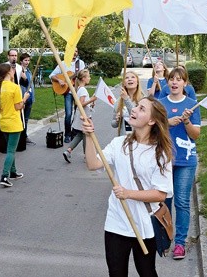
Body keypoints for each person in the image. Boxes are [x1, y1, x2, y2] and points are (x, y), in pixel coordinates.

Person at [83, 96, 174, 277]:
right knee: (116, 273)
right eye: (136, 106)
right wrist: (89, 137)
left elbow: (160, 194)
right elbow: (93, 164)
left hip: (144, 223)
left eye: (141, 109)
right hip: (117, 221)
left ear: (151, 120)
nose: (133, 110)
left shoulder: (160, 153)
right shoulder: (120, 144)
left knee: (147, 271)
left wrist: (128, 193)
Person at [158, 66, 201, 260]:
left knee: (182, 202)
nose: (174, 82)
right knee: (163, 201)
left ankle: (180, 243)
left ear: (185, 83)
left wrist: (185, 122)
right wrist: (167, 123)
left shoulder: (192, 105)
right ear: (167, 82)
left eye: (179, 79)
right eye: (171, 79)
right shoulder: (159, 104)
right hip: (163, 160)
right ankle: (164, 239)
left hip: (185, 160)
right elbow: (151, 131)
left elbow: (196, 135)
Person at [0, 62, 30, 187]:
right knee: (11, 151)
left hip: (3, 122)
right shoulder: (15, 87)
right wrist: (24, 98)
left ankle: (13, 172)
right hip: (14, 123)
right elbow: (18, 106)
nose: (14, 71)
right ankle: (4, 176)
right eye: (13, 69)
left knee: (11, 148)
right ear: (9, 72)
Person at [49, 49, 85, 143]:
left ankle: (74, 132)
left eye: (76, 51)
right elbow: (52, 75)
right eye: (72, 51)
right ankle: (67, 134)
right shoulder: (63, 63)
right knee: (68, 114)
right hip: (68, 92)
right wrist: (59, 80)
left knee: (78, 113)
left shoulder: (80, 63)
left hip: (78, 92)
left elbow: (83, 76)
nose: (74, 53)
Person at [62, 69, 96, 163]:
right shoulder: (83, 90)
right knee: (86, 134)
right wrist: (91, 99)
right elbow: (80, 104)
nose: (90, 78)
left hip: (82, 115)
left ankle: (68, 150)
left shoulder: (80, 89)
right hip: (83, 116)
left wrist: (91, 103)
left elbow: (82, 103)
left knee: (81, 134)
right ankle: (87, 155)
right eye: (88, 76)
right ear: (84, 78)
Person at [111, 71, 145, 135]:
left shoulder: (143, 99)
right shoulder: (119, 101)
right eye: (126, 78)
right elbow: (113, 124)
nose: (129, 79)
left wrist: (126, 99)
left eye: (133, 77)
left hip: (139, 137)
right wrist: (117, 120)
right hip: (124, 138)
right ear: (124, 83)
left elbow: (137, 117)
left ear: (137, 82)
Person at [19, 53, 35, 146]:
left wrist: (32, 97)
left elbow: (31, 85)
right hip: (22, 98)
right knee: (21, 119)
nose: (27, 62)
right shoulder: (19, 71)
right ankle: (21, 137)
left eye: (28, 60)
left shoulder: (28, 71)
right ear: (21, 61)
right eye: (25, 60)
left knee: (26, 119)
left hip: (29, 97)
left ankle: (25, 135)